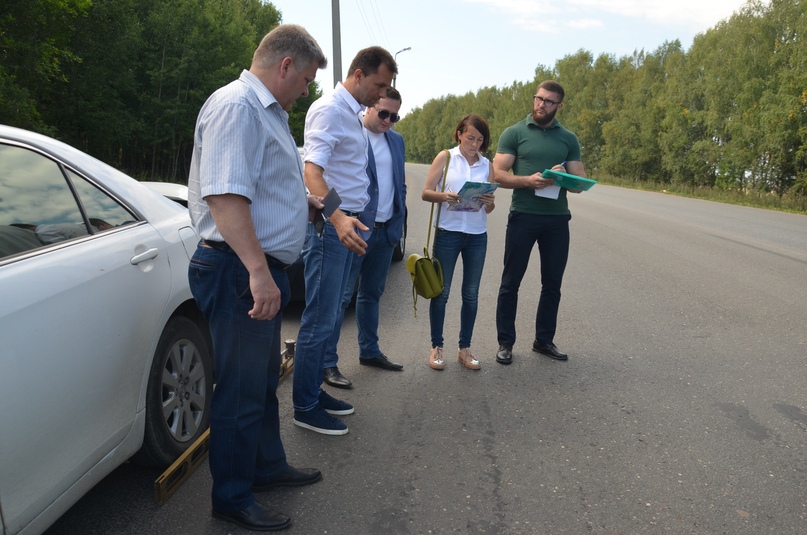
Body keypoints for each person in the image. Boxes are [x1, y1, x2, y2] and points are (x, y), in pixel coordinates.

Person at [186, 25, 327, 532]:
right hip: (238, 270)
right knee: (241, 391)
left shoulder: (267, 113)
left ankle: (265, 467)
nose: (307, 89)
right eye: (307, 79)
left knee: (263, 382)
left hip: (253, 269)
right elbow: (225, 199)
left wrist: (304, 205)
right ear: (285, 65)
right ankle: (231, 496)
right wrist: (258, 273)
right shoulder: (238, 107)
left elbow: (262, 186)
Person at [293, 46, 397, 435]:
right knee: (319, 320)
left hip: (343, 225)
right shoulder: (330, 110)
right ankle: (304, 406)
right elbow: (313, 173)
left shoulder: (350, 113)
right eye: (378, 84)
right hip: (329, 229)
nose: (381, 93)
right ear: (357, 74)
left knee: (331, 315)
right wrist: (338, 218)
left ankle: (314, 393)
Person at [492, 80, 588, 366]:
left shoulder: (568, 138)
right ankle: (505, 343)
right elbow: (497, 173)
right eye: (538, 98)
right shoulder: (515, 133)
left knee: (552, 284)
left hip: (557, 220)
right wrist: (528, 180)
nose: (541, 104)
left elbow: (579, 184)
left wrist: (562, 177)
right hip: (523, 215)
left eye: (548, 101)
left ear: (559, 105)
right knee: (511, 282)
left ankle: (543, 340)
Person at [321, 87, 407, 390]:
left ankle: (369, 352)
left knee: (371, 294)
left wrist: (398, 222)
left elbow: (400, 184)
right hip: (355, 229)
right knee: (341, 298)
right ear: (370, 107)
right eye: (383, 113)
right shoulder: (353, 133)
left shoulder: (396, 140)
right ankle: (327, 362)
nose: (388, 120)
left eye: (394, 116)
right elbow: (320, 176)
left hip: (385, 232)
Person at [421, 114, 496, 371]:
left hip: (477, 235)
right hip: (448, 232)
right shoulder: (446, 157)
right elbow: (425, 192)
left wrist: (489, 203)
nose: (474, 144)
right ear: (459, 134)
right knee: (441, 292)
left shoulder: (487, 164)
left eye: (480, 139)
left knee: (471, 294)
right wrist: (445, 196)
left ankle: (465, 348)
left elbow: (490, 207)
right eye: (470, 137)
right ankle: (436, 346)